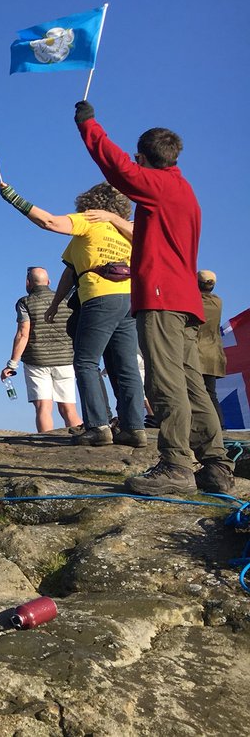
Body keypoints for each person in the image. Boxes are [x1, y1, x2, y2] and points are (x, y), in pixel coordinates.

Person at [73, 101, 233, 495]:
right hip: (183, 299)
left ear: (143, 158)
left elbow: (117, 169)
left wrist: (88, 124)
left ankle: (176, 467)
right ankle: (215, 465)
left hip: (160, 298)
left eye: (137, 159)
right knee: (191, 382)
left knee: (165, 382)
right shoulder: (184, 190)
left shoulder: (157, 185)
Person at [0, 181, 146, 447]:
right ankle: (134, 427)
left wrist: (13, 198)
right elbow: (70, 270)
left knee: (86, 362)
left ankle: (98, 426)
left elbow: (49, 222)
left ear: (91, 204)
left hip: (99, 297)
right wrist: (56, 304)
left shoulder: (90, 221)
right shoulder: (127, 231)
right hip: (129, 299)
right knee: (125, 367)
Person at [0, 266, 82, 433]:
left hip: (37, 361)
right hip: (66, 359)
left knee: (43, 407)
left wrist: (12, 364)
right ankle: (80, 441)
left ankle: (45, 443)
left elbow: (23, 334)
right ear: (49, 282)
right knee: (69, 408)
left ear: (28, 283)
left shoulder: (25, 302)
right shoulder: (65, 299)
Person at [197, 269, 227, 427]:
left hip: (197, 354)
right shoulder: (217, 302)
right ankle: (220, 426)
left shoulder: (194, 301)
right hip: (213, 354)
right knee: (210, 393)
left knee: (195, 394)